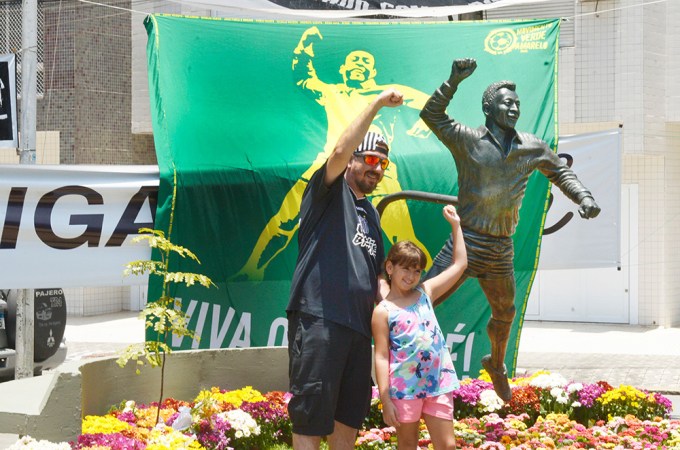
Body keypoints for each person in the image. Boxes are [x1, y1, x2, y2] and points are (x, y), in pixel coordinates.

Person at [420, 58, 601, 402]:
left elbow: (561, 172)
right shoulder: (468, 140)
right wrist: (453, 80)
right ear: (488, 107)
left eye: (517, 103)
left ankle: (496, 364)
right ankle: (402, 360)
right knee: (421, 302)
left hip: (500, 246)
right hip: (466, 241)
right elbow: (432, 115)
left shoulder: (531, 146)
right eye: (506, 102)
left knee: (505, 312)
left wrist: (585, 197)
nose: (514, 108)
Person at [231, 25, 433, 281]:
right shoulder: (333, 91)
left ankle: (423, 288)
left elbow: (427, 102)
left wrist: (423, 125)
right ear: (343, 69)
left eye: (365, 61)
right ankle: (252, 270)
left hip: (373, 173)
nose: (359, 63)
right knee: (285, 221)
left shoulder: (385, 93)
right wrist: (304, 48)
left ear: (372, 72)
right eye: (354, 60)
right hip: (331, 171)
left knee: (402, 236)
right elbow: (303, 77)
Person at [287, 88, 404, 450]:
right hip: (320, 319)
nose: (376, 168)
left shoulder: (371, 213)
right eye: (370, 158)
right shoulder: (329, 191)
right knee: (310, 415)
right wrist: (377, 104)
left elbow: (379, 278)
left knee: (348, 420)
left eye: (383, 164)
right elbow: (338, 151)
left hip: (359, 331)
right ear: (353, 160)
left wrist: (400, 309)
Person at [372, 204, 467, 450]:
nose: (412, 275)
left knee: (448, 446)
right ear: (390, 268)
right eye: (405, 268)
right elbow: (381, 356)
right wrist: (385, 398)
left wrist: (456, 226)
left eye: (417, 270)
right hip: (403, 390)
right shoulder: (383, 311)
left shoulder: (426, 292)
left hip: (438, 383)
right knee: (407, 445)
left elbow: (460, 265)